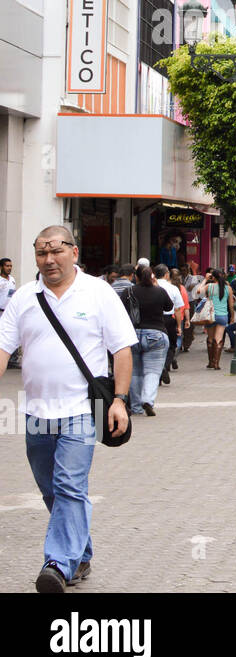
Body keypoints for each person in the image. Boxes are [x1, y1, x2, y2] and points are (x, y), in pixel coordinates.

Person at [0, 226, 135, 592]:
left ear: (74, 253)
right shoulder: (24, 297)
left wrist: (120, 400)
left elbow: (122, 349)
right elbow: (2, 349)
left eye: (56, 251)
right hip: (37, 412)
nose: (49, 260)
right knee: (50, 489)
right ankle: (81, 552)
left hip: (82, 409)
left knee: (69, 485)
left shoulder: (97, 292)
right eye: (41, 253)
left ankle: (57, 564)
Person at [127, 264, 173, 416]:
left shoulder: (129, 292)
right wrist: (156, 285)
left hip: (133, 334)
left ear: (136, 276)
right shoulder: (159, 291)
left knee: (135, 372)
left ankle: (136, 407)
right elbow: (169, 307)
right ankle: (147, 399)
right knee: (152, 371)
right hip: (156, 334)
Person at [153, 263, 183, 379]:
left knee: (155, 346)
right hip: (168, 319)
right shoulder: (173, 288)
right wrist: (179, 326)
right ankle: (164, 366)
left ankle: (159, 368)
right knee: (171, 345)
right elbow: (177, 309)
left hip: (154, 319)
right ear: (166, 275)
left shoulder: (151, 286)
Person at [204, 270, 235, 370]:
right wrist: (232, 316)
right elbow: (231, 304)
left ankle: (210, 362)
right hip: (223, 316)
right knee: (218, 339)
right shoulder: (228, 288)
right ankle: (217, 363)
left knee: (210, 339)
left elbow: (198, 293)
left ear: (213, 277)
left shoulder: (209, 287)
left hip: (211, 315)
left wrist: (205, 280)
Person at [0, 257, 15, 321]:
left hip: (9, 313)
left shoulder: (12, 279)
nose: (9, 268)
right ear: (1, 267)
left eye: (11, 266)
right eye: (7, 266)